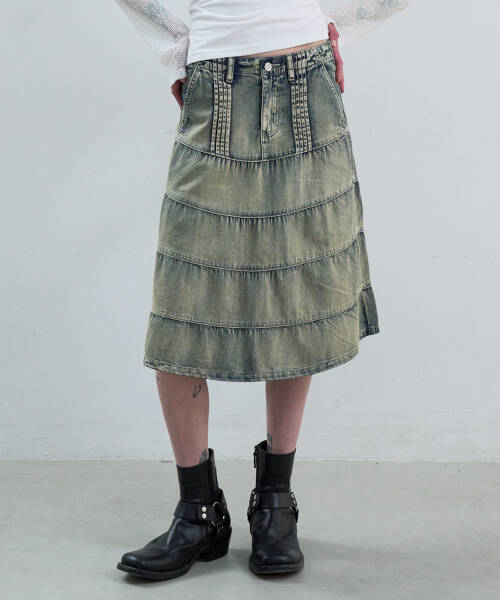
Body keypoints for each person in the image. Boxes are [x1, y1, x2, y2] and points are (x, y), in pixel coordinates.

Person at [111, 0, 409, 581]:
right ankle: (198, 512)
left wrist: (337, 27)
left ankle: (275, 501)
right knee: (181, 312)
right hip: (213, 90)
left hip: (308, 86)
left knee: (295, 300)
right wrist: (180, 48)